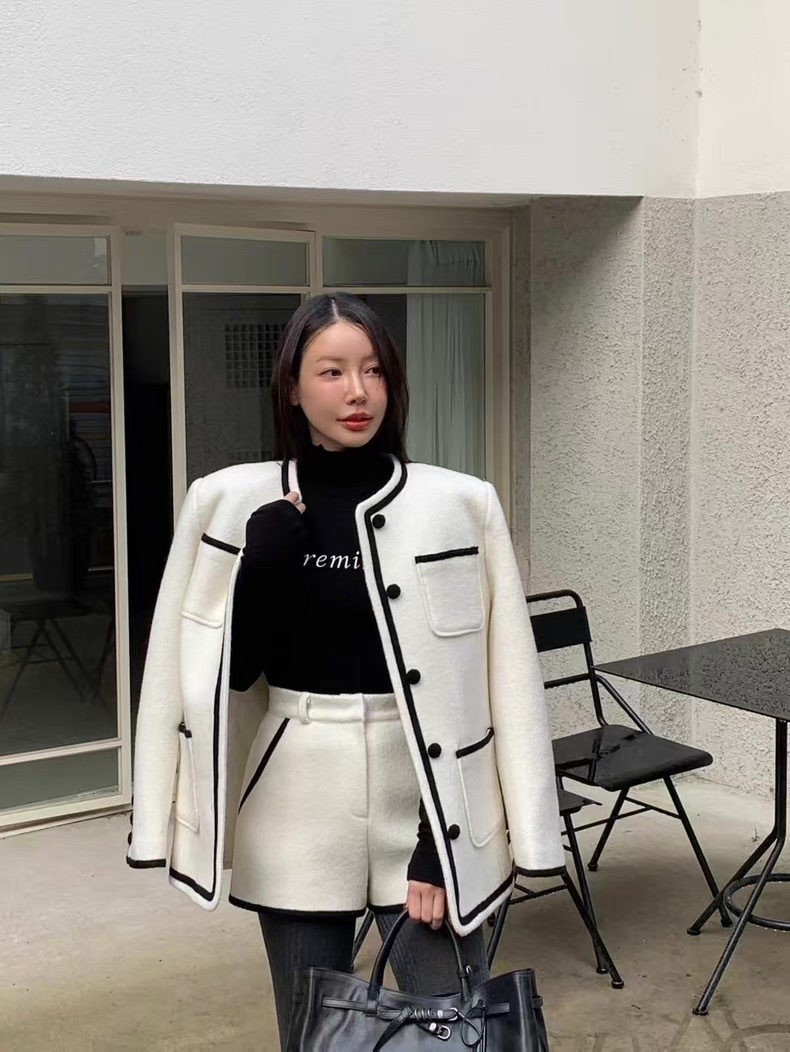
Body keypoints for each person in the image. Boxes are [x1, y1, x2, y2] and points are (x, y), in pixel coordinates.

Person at [127, 293, 564, 1049]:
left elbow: (494, 687)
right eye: (331, 372)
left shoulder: (460, 504)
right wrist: (263, 563)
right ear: (293, 389)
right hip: (294, 796)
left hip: (424, 800)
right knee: (314, 1036)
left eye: (373, 371)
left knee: (456, 1027)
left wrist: (440, 846)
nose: (357, 392)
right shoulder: (227, 502)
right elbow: (226, 677)